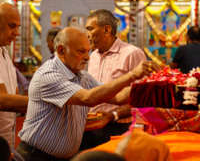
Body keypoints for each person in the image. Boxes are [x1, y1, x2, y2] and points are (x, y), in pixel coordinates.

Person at [16, 27, 159, 161]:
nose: (88, 57)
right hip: (36, 155)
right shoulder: (49, 75)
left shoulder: (81, 75)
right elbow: (88, 98)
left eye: (88, 51)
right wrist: (132, 75)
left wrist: (152, 87)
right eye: (81, 51)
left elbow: (118, 97)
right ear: (61, 50)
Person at [79, 9, 147, 150]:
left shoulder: (132, 54)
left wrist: (113, 115)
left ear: (106, 30)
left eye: (90, 29)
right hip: (92, 125)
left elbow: (142, 99)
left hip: (119, 127)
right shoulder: (93, 56)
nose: (87, 34)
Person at [0, 2, 28, 148]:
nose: (17, 33)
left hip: (6, 142)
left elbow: (15, 97)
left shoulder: (4, 53)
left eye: (18, 27)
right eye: (12, 26)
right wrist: (45, 104)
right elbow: (2, 100)